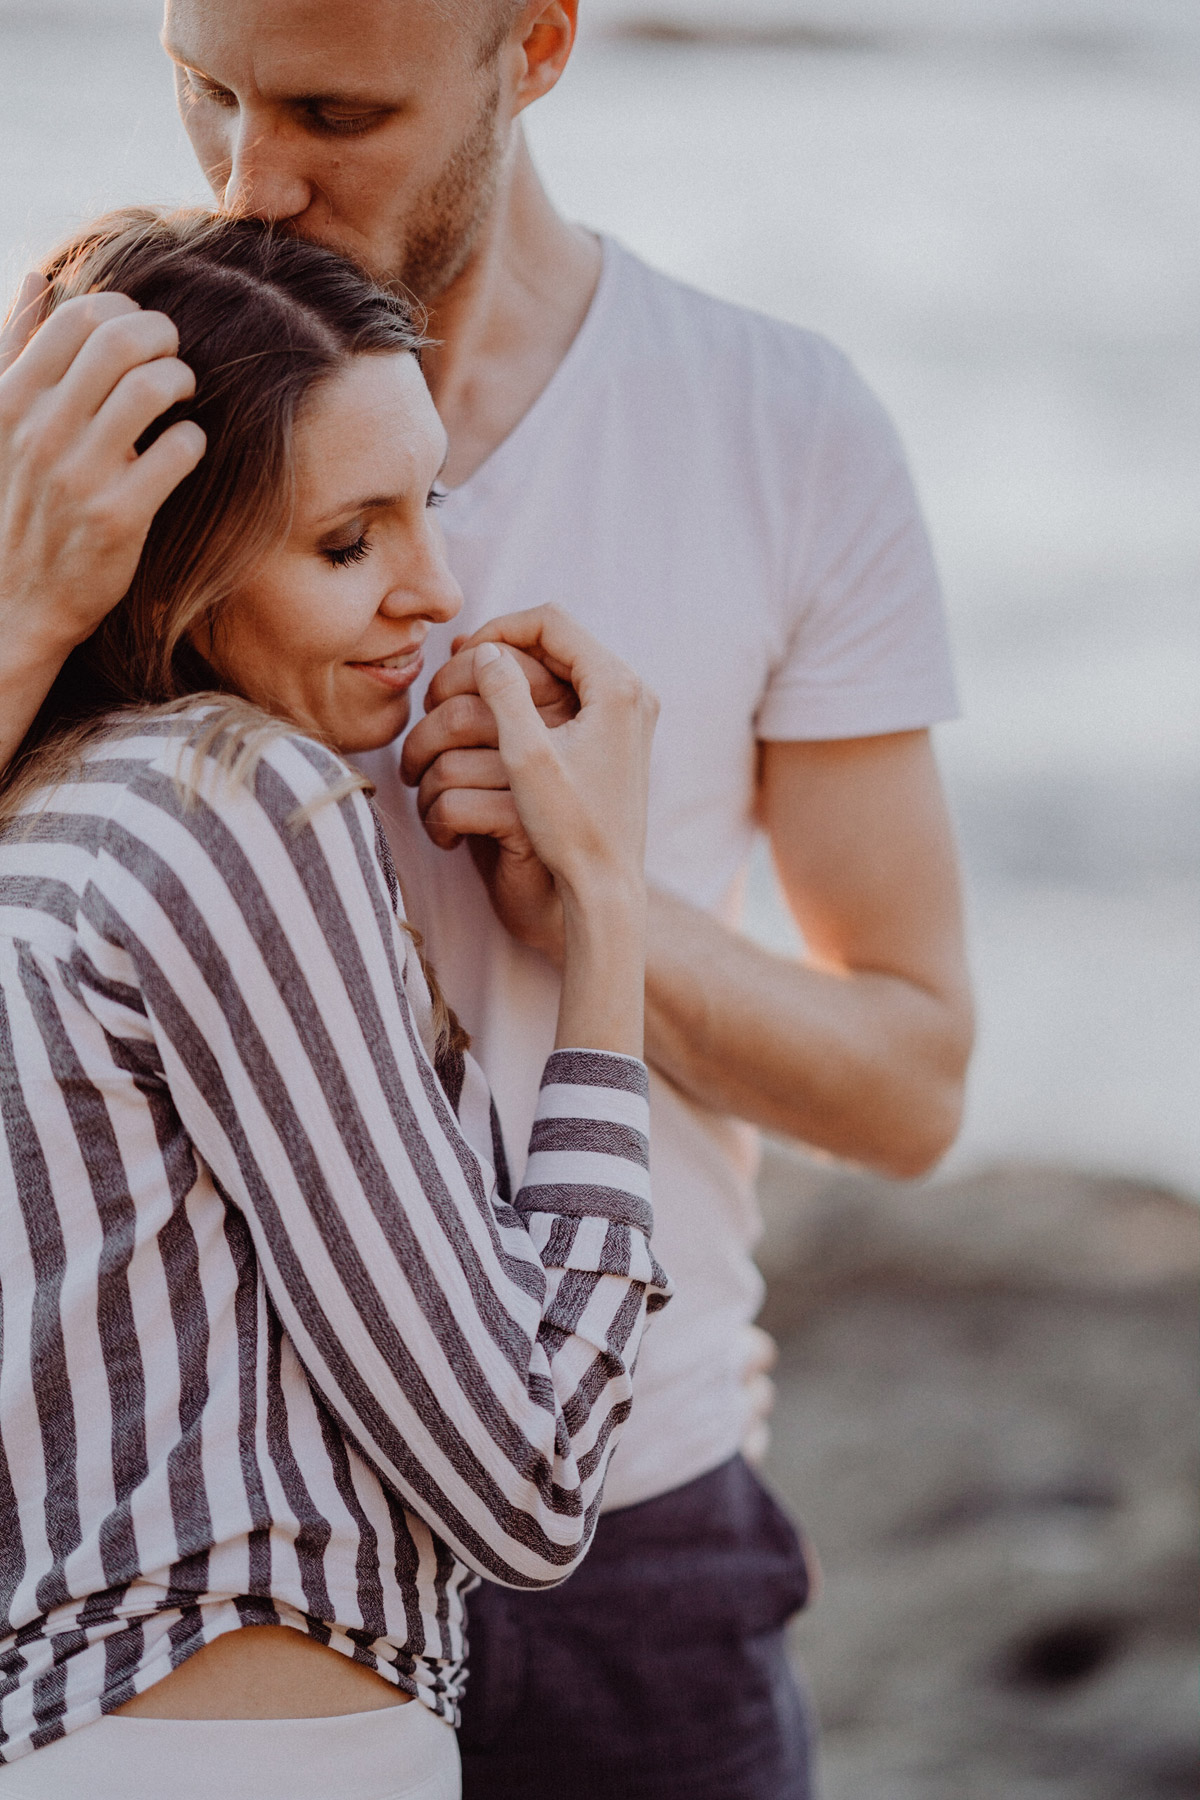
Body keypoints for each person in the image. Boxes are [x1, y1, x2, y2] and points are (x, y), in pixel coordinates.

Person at [0, 3, 975, 1795]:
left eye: (331, 110)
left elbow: (911, 1086)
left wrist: (595, 899)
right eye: (204, 91)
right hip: (178, 1600)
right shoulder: (71, 422)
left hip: (628, 1526)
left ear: (532, 45)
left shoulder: (781, 427)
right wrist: (23, 621)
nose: (247, 175)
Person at [0, 208, 667, 1800]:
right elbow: (529, 1486)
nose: (432, 591)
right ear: (167, 566)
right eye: (344, 541)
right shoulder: (235, 802)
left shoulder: (44, 827)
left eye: (425, 504)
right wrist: (609, 912)